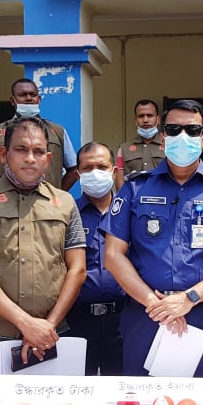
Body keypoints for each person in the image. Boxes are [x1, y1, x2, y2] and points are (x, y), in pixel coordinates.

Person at [104, 99, 203, 377]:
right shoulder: (135, 188)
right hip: (146, 315)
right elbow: (113, 255)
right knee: (143, 399)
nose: (183, 136)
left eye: (192, 130)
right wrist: (154, 303)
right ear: (163, 139)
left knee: (202, 401)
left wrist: (189, 298)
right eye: (174, 130)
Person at [0, 116, 87, 386]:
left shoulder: (65, 202)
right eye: (21, 149)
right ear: (4, 154)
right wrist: (26, 323)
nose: (30, 158)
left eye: (38, 151)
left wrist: (46, 326)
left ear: (48, 158)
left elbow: (78, 269)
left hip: (49, 336)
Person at [70, 141, 126, 375]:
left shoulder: (130, 212)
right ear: (78, 174)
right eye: (88, 168)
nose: (95, 173)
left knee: (123, 389)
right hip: (78, 320)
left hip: (123, 320)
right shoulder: (68, 213)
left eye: (102, 167)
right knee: (79, 388)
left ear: (113, 171)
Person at [0, 78, 78, 190]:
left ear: (39, 99)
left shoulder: (57, 131)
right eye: (23, 95)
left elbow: (73, 170)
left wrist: (57, 194)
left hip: (46, 199)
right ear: (13, 101)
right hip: (7, 199)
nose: (29, 98)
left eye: (33, 95)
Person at [115, 99, 165, 189]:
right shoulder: (123, 149)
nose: (145, 120)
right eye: (141, 116)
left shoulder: (169, 145)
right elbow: (120, 186)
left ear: (158, 119)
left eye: (150, 115)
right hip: (133, 198)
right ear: (135, 120)